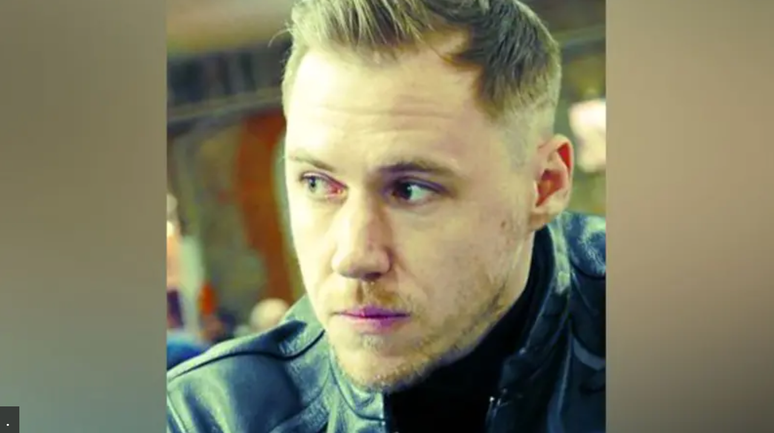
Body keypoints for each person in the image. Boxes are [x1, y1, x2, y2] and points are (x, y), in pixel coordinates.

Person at [166, 1, 605, 432]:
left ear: (544, 186)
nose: (353, 257)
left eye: (410, 190)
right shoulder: (207, 418)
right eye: (317, 183)